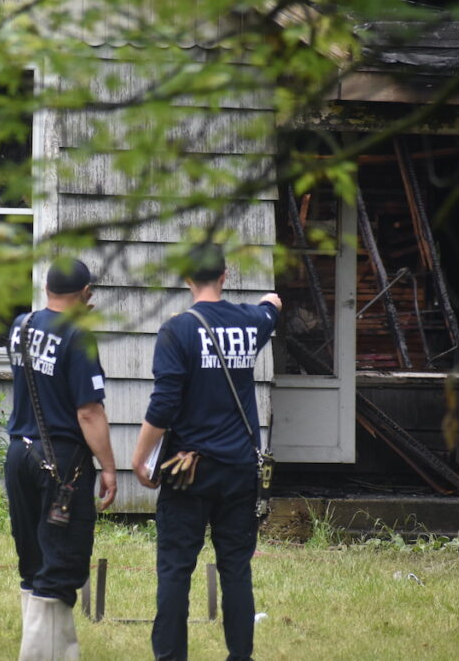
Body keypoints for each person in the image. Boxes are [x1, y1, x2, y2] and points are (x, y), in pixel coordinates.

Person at [131, 244, 282, 661]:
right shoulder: (250, 324)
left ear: (186, 278)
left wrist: (139, 458)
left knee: (176, 569)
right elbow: (271, 308)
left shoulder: (177, 331)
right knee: (236, 569)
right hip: (239, 469)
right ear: (225, 275)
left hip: (189, 471)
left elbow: (164, 406)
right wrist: (270, 302)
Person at [4, 258, 117, 661]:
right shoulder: (78, 336)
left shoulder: (21, 326)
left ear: (47, 288)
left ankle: (50, 650)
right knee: (62, 561)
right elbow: (89, 412)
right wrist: (108, 467)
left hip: (19, 452)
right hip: (61, 461)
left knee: (33, 561)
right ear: (85, 293)